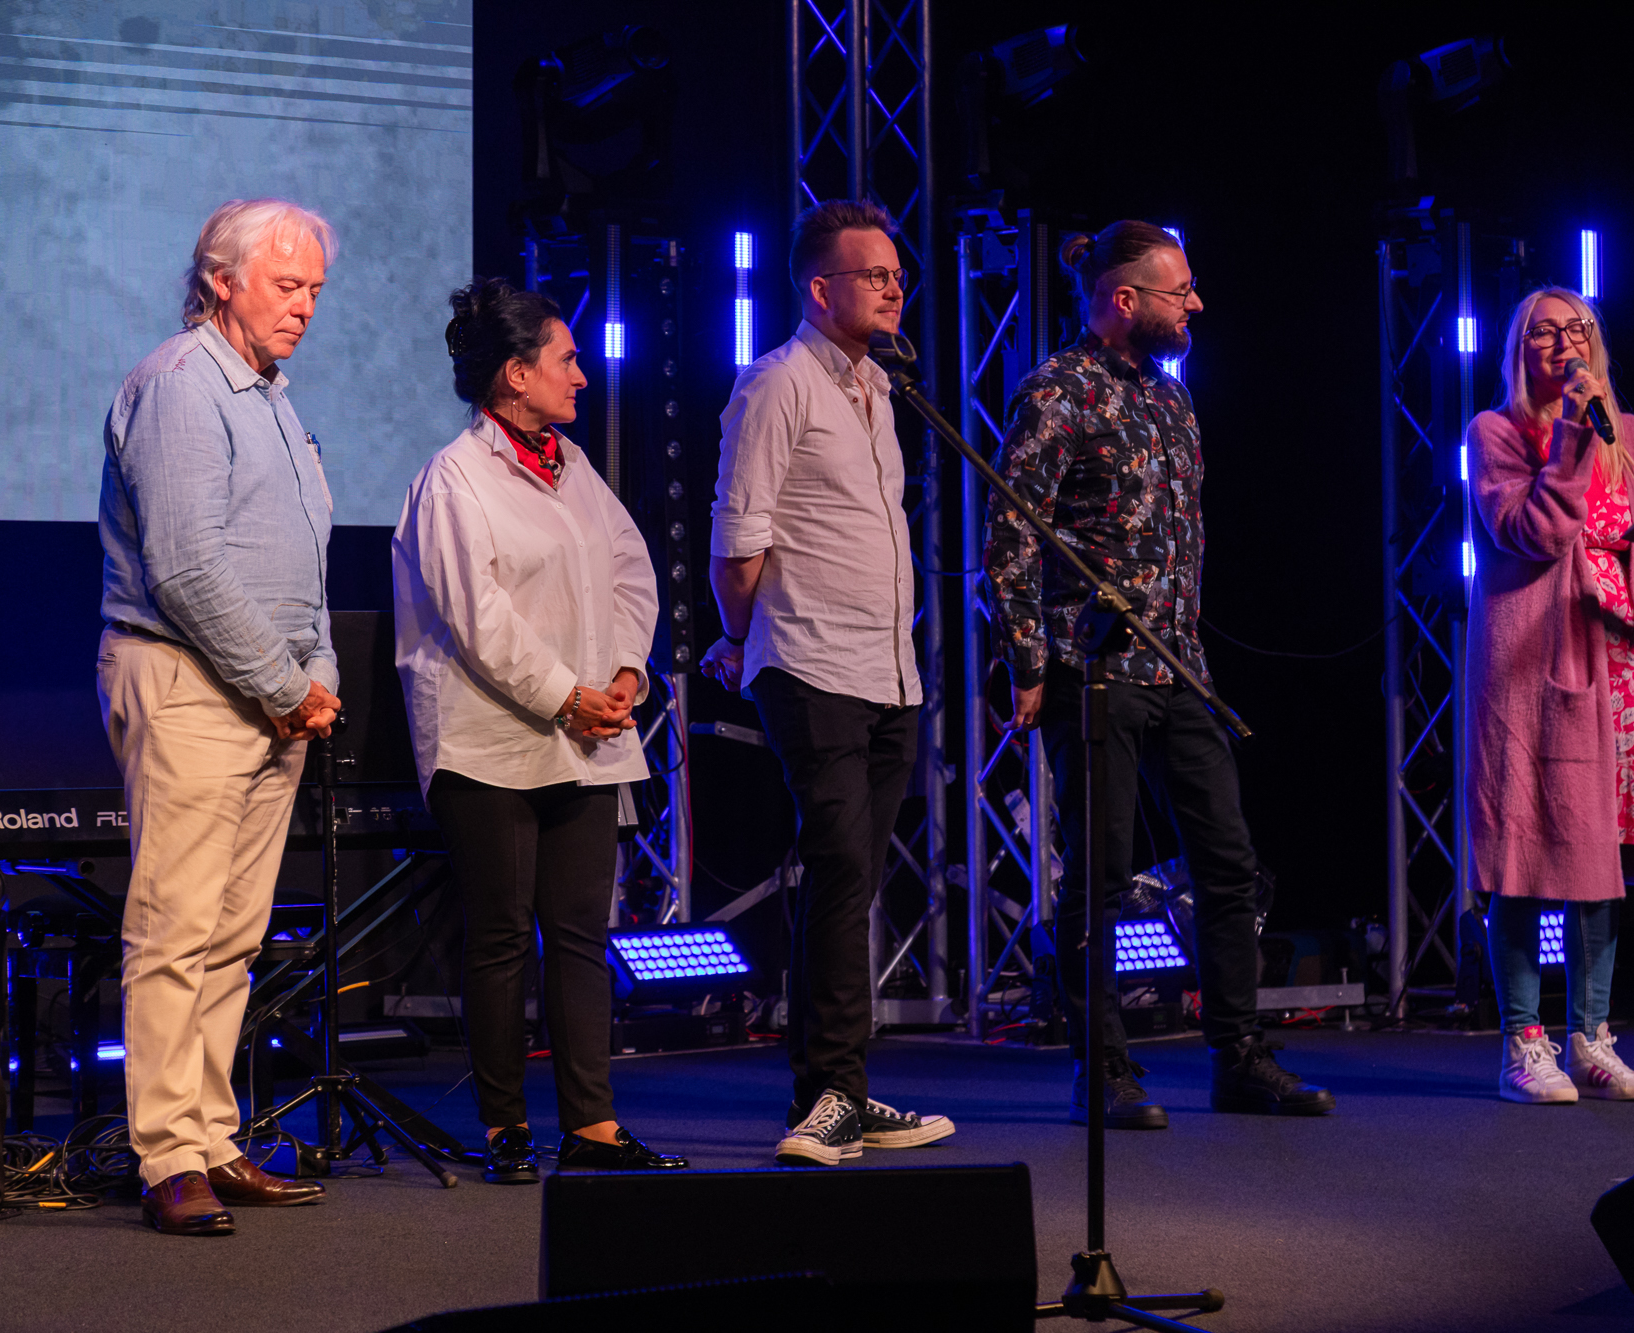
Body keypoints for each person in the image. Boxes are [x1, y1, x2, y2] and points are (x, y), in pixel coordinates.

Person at [984, 221, 1334, 1129]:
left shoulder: (1173, 399)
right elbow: (1011, 538)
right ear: (1125, 299)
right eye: (1181, 292)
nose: (1196, 305)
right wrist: (1028, 661)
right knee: (1098, 877)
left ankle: (1237, 1055)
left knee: (1228, 862)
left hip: (1179, 666)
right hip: (1093, 666)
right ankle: (1101, 1068)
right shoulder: (1057, 391)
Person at [393, 277, 687, 1182]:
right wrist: (567, 694)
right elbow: (478, 620)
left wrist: (627, 670)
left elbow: (631, 568)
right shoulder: (455, 478)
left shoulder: (573, 465)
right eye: (567, 359)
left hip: (585, 737)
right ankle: (504, 1128)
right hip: (489, 740)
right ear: (516, 374)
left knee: (580, 936)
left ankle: (592, 1127)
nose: (582, 376)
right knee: (500, 937)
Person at [97, 198, 342, 1234]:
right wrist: (287, 686)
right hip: (191, 680)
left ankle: (209, 1135)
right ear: (220, 280)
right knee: (176, 927)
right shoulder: (180, 386)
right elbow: (188, 567)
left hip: (267, 696)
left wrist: (316, 670)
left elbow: (304, 566)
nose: (305, 307)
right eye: (286, 286)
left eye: (315, 290)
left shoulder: (273, 398)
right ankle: (166, 1155)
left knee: (233, 936)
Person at [702, 200, 955, 1166]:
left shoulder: (880, 388)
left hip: (889, 671)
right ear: (820, 288)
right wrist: (742, 638)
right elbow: (739, 541)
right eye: (874, 274)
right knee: (842, 867)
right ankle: (830, 1095)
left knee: (854, 876)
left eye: (898, 274)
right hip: (811, 663)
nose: (895, 288)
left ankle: (839, 1091)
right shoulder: (777, 383)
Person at [1465, 287, 1634, 1105]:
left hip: (1619, 668)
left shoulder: (1632, 435)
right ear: (1519, 351)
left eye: (1575, 329)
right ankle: (1523, 1044)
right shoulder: (1496, 433)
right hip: (1532, 676)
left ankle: (1592, 1039)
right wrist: (1573, 437)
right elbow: (1534, 534)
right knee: (1522, 853)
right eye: (1542, 332)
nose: (1562, 342)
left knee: (1602, 857)